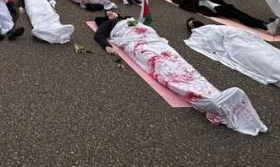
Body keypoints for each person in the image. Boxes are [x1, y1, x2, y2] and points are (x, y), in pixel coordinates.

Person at [92, 14, 267, 136]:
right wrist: (106, 45)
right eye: (108, 13)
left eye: (113, 11)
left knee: (182, 66)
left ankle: (215, 94)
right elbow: (99, 35)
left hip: (153, 40)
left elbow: (146, 27)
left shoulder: (129, 18)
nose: (112, 12)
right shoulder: (109, 25)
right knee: (161, 66)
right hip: (136, 42)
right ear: (106, 19)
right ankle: (207, 102)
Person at [185, 19, 280, 85]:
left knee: (262, 59)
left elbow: (211, 44)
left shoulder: (208, 31)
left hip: (239, 45)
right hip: (240, 44)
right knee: (266, 57)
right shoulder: (212, 29)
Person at [169, 0, 272, 31]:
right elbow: (189, 5)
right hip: (214, 8)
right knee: (239, 16)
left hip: (215, 4)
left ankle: (264, 24)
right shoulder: (184, 0)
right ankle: (264, 26)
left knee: (241, 14)